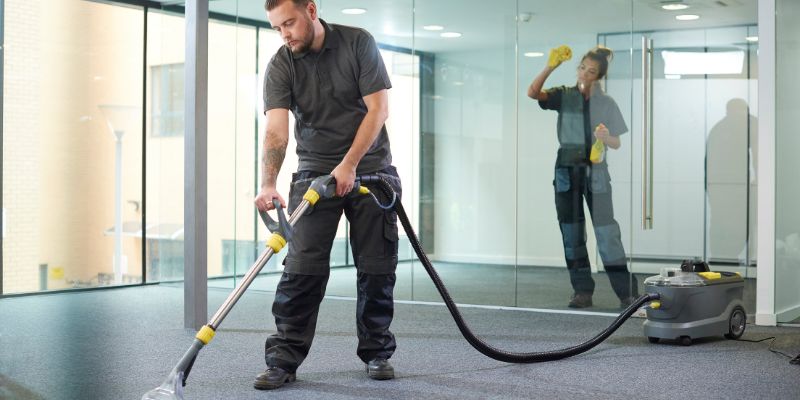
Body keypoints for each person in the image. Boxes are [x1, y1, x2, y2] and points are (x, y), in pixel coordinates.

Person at [253, 0, 402, 390]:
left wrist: (350, 164)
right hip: (314, 174)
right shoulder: (281, 64)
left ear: (311, 10)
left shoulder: (357, 43)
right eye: (277, 28)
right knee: (301, 269)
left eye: (289, 23)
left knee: (377, 267)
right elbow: (276, 130)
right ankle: (283, 359)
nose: (284, 34)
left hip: (371, 170)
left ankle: (377, 352)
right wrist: (268, 182)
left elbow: (378, 109)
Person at [527, 46, 638, 309]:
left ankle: (627, 294)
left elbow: (617, 142)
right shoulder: (563, 95)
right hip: (566, 170)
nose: (584, 74)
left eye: (591, 71)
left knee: (607, 234)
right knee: (572, 234)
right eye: (582, 68)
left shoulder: (607, 103)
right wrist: (551, 66)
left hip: (596, 171)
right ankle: (582, 292)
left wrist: (605, 138)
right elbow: (533, 93)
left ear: (599, 76)